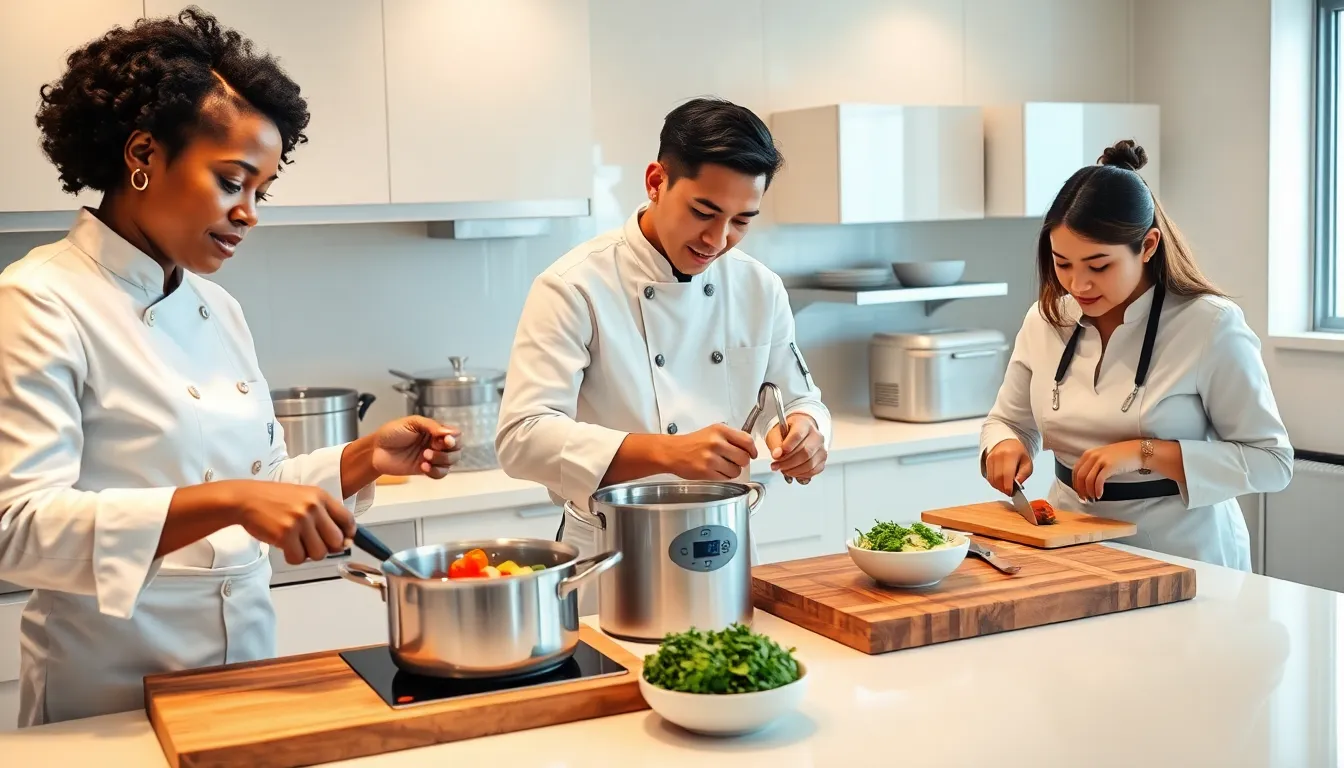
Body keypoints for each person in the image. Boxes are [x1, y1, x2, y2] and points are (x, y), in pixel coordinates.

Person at [0, 8, 461, 727]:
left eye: (261, 191)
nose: (249, 213)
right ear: (144, 154)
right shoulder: (39, 301)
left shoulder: (218, 308)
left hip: (248, 673)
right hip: (107, 690)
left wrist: (361, 461)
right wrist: (228, 503)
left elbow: (261, 485)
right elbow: (16, 528)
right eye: (231, 180)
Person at [495, 97, 831, 588]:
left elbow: (801, 397)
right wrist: (667, 453)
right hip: (610, 558)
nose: (717, 240)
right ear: (656, 182)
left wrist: (806, 431)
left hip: (726, 544)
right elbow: (521, 437)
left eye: (742, 221)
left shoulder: (759, 287)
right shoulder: (574, 286)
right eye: (704, 211)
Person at [981, 140, 1292, 571]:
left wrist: (1143, 452)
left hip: (1182, 553)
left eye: (1099, 265)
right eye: (1062, 263)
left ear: (1147, 246)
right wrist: (1004, 445)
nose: (1078, 285)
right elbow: (1009, 420)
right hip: (1070, 544)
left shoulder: (1210, 325)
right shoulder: (1046, 318)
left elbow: (1272, 462)